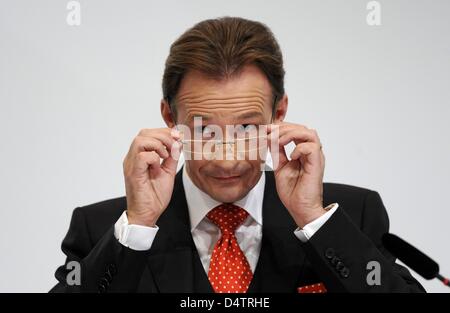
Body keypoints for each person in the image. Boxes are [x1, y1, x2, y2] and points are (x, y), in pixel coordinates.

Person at [51, 17, 424, 293]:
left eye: (247, 130)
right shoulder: (106, 229)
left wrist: (313, 220)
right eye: (203, 130)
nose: (227, 160)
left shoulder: (350, 216)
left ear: (279, 114)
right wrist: (136, 228)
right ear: (169, 118)